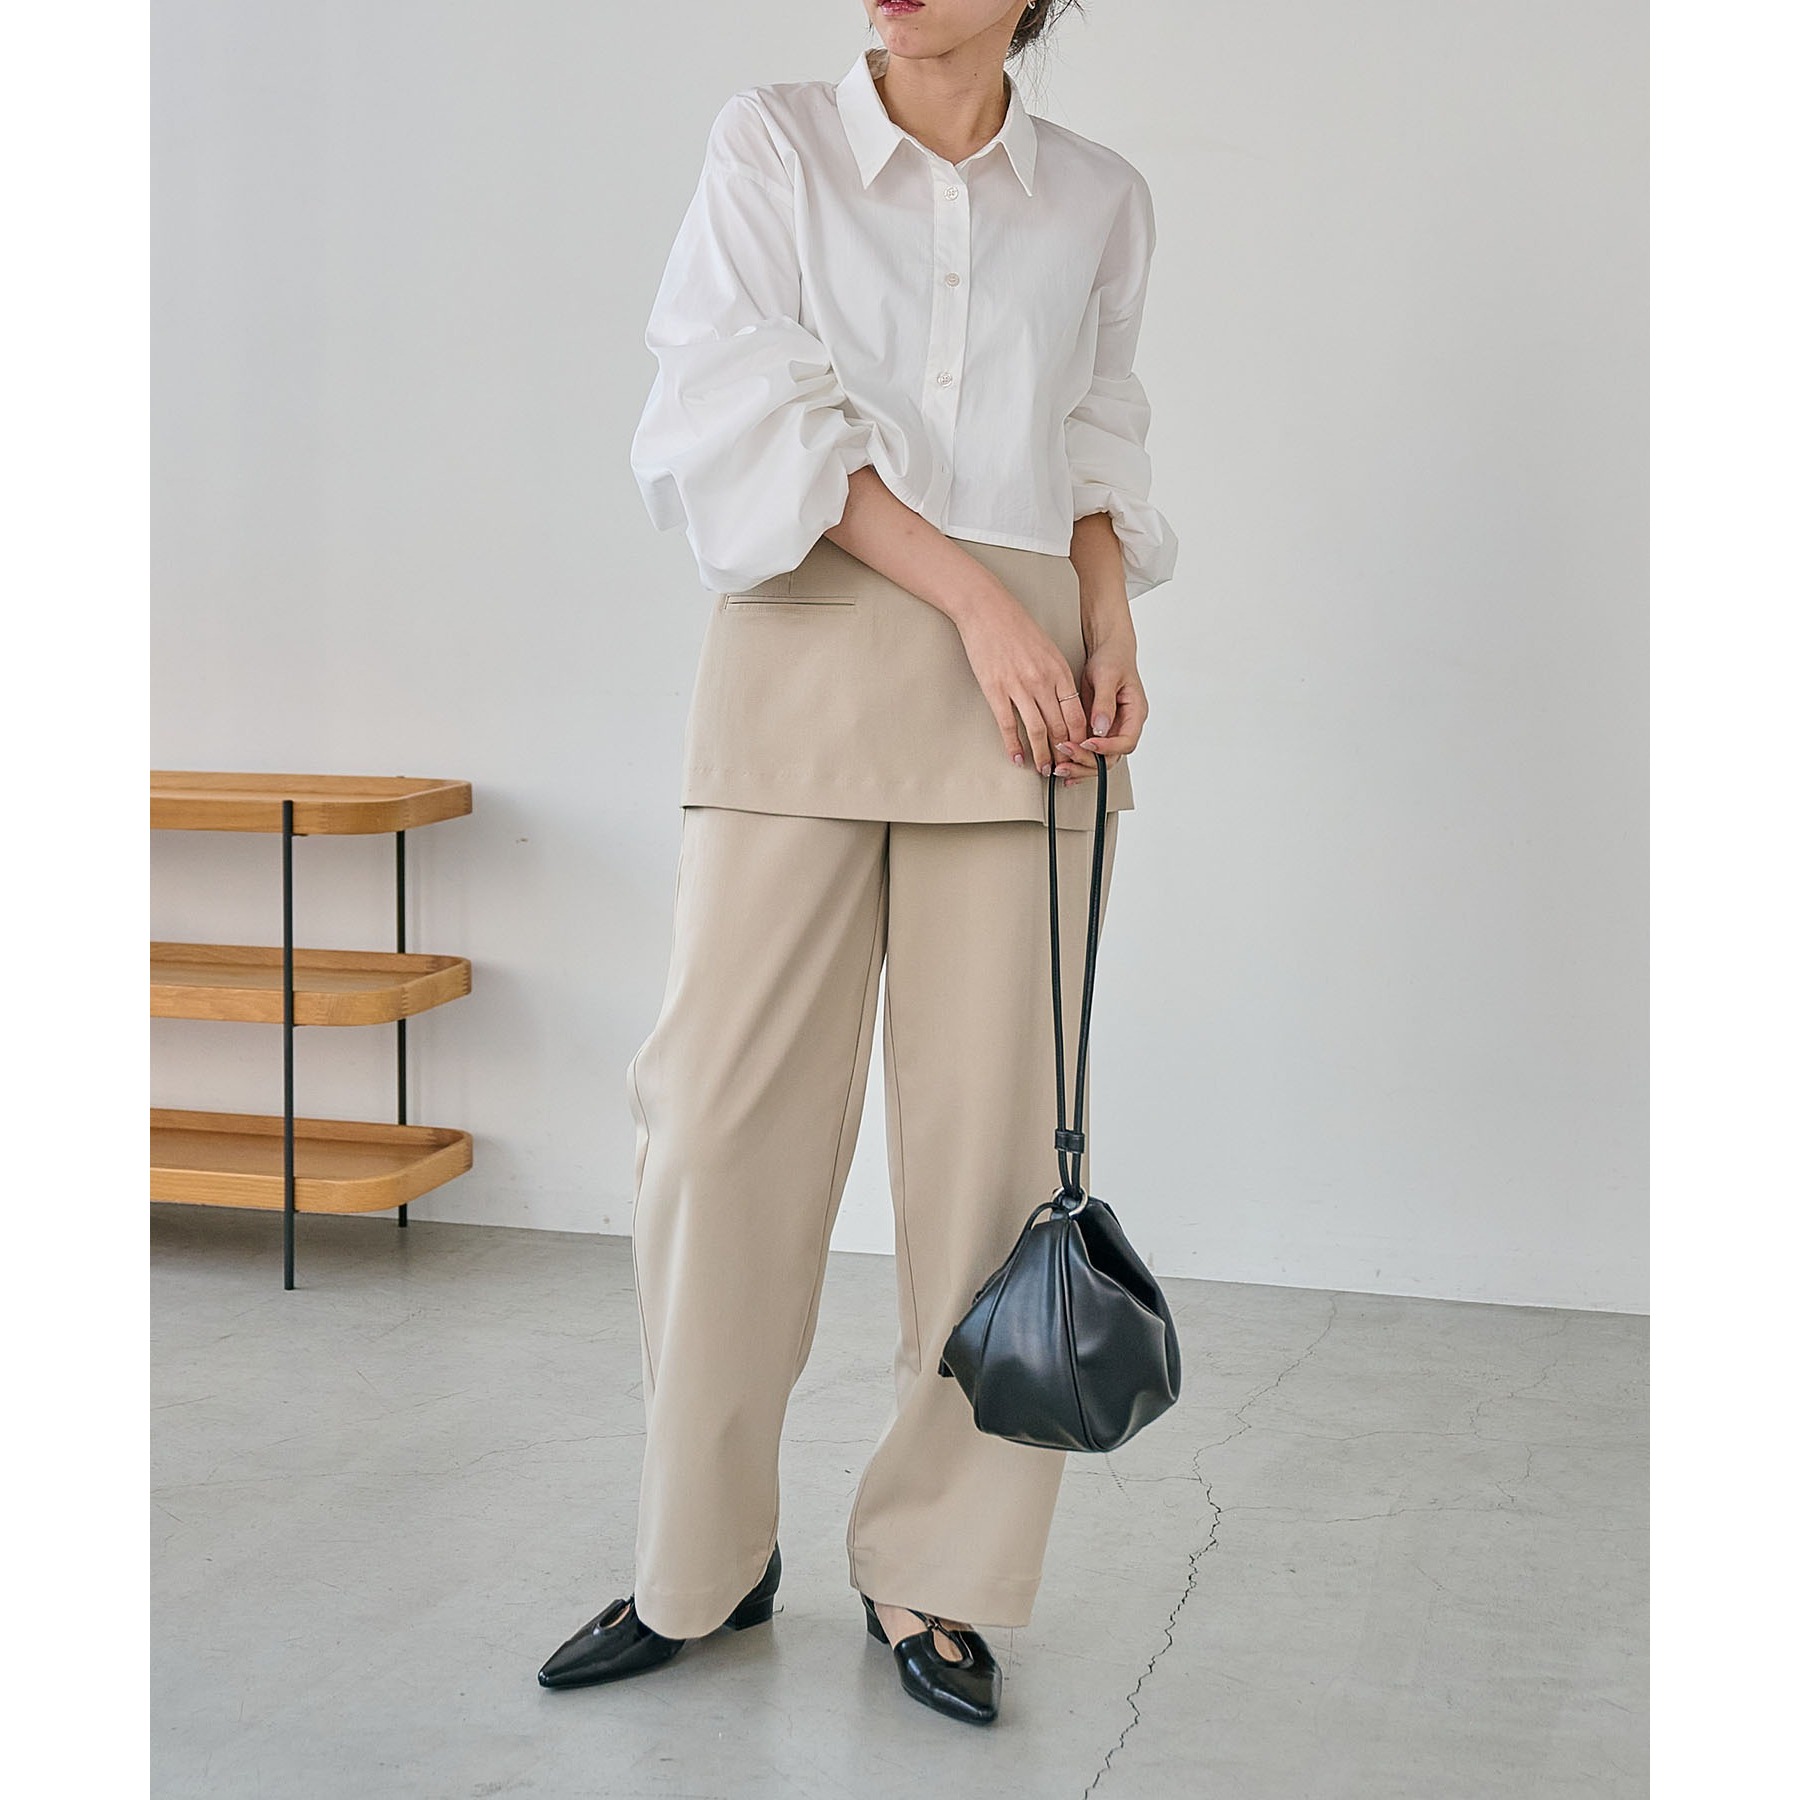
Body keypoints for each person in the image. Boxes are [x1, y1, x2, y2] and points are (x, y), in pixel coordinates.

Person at [538, 0, 1177, 1727]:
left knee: (993, 1161)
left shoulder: (1097, 196)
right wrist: (977, 603)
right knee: (717, 1123)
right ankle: (698, 1562)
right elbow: (748, 405)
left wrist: (1107, 622)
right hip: (820, 641)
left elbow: (1095, 433)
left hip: (1034, 693)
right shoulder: (775, 143)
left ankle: (937, 1575)